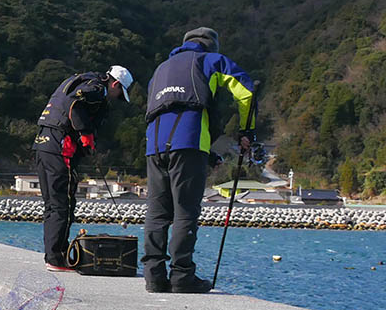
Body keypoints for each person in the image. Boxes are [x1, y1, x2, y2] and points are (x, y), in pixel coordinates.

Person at [143, 27, 256, 293]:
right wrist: (247, 130)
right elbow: (246, 91)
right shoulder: (210, 61)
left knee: (157, 212)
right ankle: (182, 276)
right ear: (211, 45)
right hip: (190, 142)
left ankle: (154, 277)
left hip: (154, 145)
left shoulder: (160, 69)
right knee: (185, 210)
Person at [33, 65, 134, 271]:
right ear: (115, 84)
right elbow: (74, 104)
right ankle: (56, 258)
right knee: (63, 204)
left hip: (42, 145)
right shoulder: (97, 89)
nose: (116, 98)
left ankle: (53, 255)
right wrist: (86, 133)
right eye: (119, 93)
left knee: (52, 204)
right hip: (60, 148)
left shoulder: (80, 79)